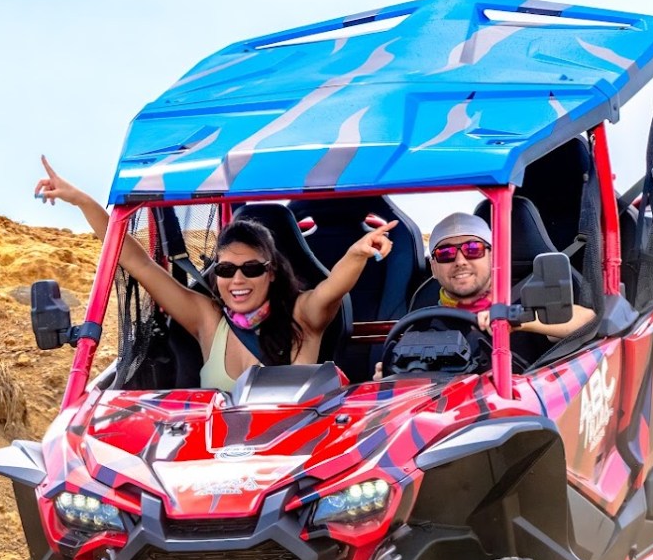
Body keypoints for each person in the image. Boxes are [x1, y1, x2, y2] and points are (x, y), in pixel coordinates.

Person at [34, 157, 395, 392]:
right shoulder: (207, 318)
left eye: (251, 269)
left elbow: (333, 287)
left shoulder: (302, 315)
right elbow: (138, 262)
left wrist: (356, 254)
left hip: (295, 466)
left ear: (271, 273)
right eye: (225, 269)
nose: (237, 280)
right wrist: (82, 201)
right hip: (213, 466)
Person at [417, 212, 594, 338]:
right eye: (445, 253)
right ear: (434, 267)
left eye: (473, 249)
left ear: (493, 257)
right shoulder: (420, 320)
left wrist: (514, 319)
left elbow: (589, 320)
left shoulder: (526, 301)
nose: (460, 261)